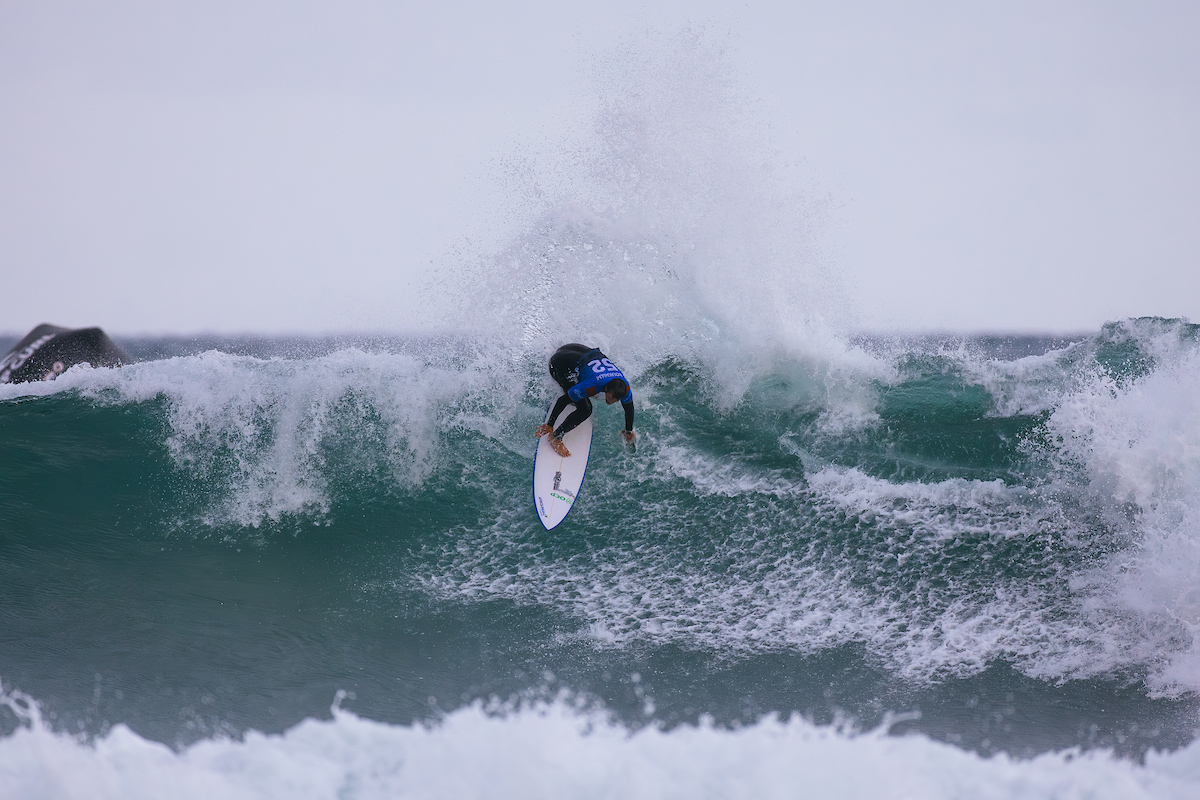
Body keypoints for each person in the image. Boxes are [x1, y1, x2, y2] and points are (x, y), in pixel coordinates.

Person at [535, 343, 635, 457]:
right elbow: (563, 400)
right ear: (607, 388)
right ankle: (556, 437)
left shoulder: (624, 387)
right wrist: (549, 424)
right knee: (585, 409)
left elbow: (629, 408)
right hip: (560, 363)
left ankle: (577, 386)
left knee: (581, 394)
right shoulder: (592, 386)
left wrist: (628, 431)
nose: (613, 402)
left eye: (617, 400)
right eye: (612, 397)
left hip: (575, 349)